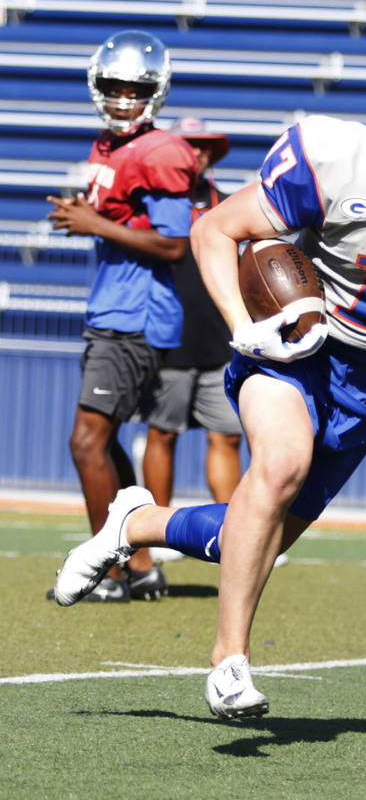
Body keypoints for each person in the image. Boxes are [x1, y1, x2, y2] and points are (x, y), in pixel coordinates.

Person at [51, 12, 366, 720]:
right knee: (278, 466)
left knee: (247, 538)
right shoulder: (335, 157)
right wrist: (247, 329)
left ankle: (135, 522)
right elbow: (215, 229)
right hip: (296, 343)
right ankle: (229, 661)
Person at [46, 30, 195, 603]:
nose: (123, 98)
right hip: (112, 308)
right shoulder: (106, 147)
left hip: (138, 315)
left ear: (156, 91)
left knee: (87, 441)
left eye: (135, 89)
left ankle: (105, 569)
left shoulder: (162, 151)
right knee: (103, 444)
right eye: (112, 87)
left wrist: (95, 224)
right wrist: (91, 216)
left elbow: (174, 244)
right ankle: (137, 560)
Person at [141, 119, 243, 518]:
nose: (195, 154)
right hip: (169, 340)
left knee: (228, 437)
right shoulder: (156, 205)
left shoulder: (231, 204)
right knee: (162, 434)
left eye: (203, 147)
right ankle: (157, 528)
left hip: (222, 341)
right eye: (187, 146)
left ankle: (233, 531)